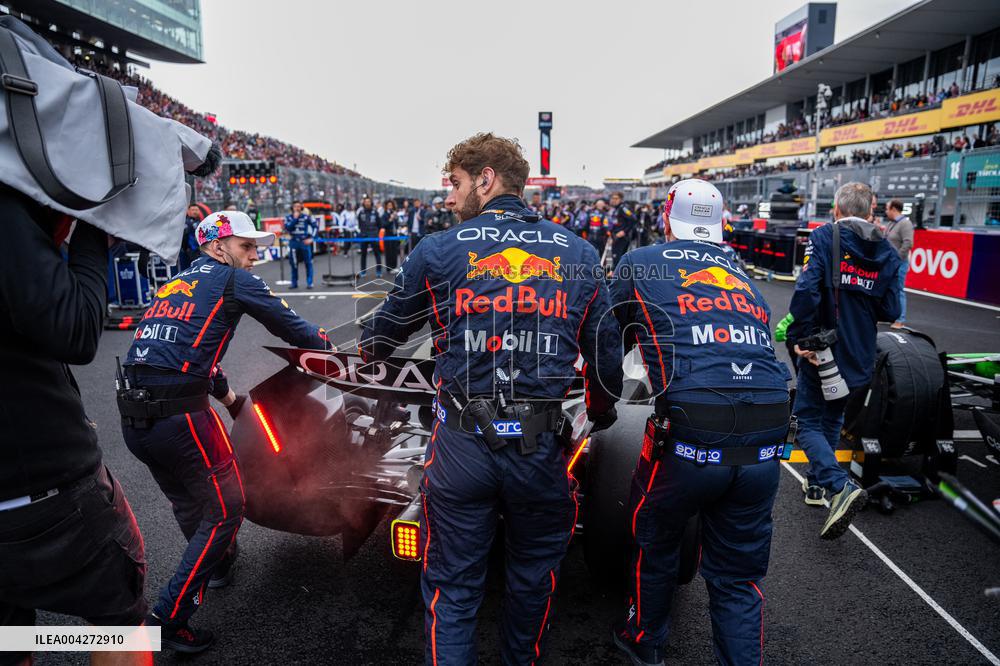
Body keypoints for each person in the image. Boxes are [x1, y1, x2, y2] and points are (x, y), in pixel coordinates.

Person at [360, 133, 623, 665]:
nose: (448, 198)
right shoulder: (578, 251)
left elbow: (376, 341)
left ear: (485, 179)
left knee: (453, 590)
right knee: (531, 583)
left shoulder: (436, 250)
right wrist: (598, 413)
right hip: (540, 451)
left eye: (455, 183)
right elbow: (608, 362)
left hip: (462, 447)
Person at [119, 211, 331, 652]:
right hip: (180, 418)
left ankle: (216, 566)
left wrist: (231, 399)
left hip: (134, 421)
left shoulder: (175, 284)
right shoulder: (233, 281)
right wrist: (344, 357)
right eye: (246, 247)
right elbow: (296, 330)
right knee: (227, 509)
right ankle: (169, 620)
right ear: (219, 247)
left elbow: (179, 348)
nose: (254, 257)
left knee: (187, 498)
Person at [609, 178, 792, 666]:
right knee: (737, 578)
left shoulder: (640, 261)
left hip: (689, 439)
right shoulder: (746, 276)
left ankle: (644, 643)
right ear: (722, 224)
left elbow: (606, 341)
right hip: (766, 439)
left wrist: (602, 404)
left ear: (667, 219)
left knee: (655, 538)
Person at [0, 187, 151, 666]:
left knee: (9, 643)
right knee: (119, 632)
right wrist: (93, 233)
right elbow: (77, 331)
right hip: (47, 490)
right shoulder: (4, 210)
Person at [787, 182, 901, 537]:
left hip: (823, 347)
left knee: (806, 422)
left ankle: (840, 486)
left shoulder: (824, 237)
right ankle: (817, 483)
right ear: (871, 212)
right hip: (862, 352)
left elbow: (806, 290)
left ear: (836, 209)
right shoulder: (889, 251)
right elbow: (892, 308)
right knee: (833, 416)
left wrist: (801, 337)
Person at [883, 199, 914, 328]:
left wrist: (897, 259)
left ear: (894, 209)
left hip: (899, 263)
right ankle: (887, 315)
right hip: (889, 263)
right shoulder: (891, 224)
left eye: (887, 208)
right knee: (886, 289)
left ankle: (900, 320)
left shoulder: (905, 224)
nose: (886, 211)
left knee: (899, 290)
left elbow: (908, 243)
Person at [284, 200, 317, 289]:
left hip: (304, 243)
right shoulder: (288, 217)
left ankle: (310, 283)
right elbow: (288, 228)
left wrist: (312, 238)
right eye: (295, 206)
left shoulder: (306, 217)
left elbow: (315, 226)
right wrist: (295, 219)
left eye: (299, 206)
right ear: (292, 208)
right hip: (293, 242)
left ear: (301, 208)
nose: (297, 208)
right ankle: (294, 283)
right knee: (293, 263)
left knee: (308, 263)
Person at [607, 192, 636, 268]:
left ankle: (618, 274)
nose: (614, 200)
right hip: (615, 236)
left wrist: (624, 231)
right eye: (613, 198)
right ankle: (616, 272)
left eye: (616, 198)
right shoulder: (615, 209)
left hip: (622, 237)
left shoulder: (623, 208)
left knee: (618, 257)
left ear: (621, 199)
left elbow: (633, 219)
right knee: (616, 257)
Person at [356, 196, 382, 278]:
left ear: (371, 203)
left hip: (373, 235)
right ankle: (363, 271)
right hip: (364, 235)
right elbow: (359, 224)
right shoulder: (361, 212)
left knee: (377, 253)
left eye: (368, 201)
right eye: (366, 201)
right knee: (363, 254)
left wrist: (375, 232)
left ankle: (379, 271)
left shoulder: (375, 212)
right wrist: (362, 231)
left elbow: (379, 224)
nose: (367, 203)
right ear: (363, 203)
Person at [181, 203, 205, 270]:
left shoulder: (200, 222)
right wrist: (186, 249)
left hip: (200, 250)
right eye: (193, 210)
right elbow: (184, 237)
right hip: (190, 251)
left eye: (196, 210)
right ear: (188, 211)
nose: (195, 211)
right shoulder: (186, 222)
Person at [380, 199, 401, 272]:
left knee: (394, 251)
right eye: (388, 205)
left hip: (395, 234)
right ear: (386, 206)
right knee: (388, 252)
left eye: (391, 205)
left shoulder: (394, 213)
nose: (390, 207)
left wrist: (396, 218)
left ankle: (394, 266)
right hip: (388, 235)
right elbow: (383, 225)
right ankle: (389, 268)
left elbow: (397, 224)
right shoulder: (384, 215)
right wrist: (390, 219)